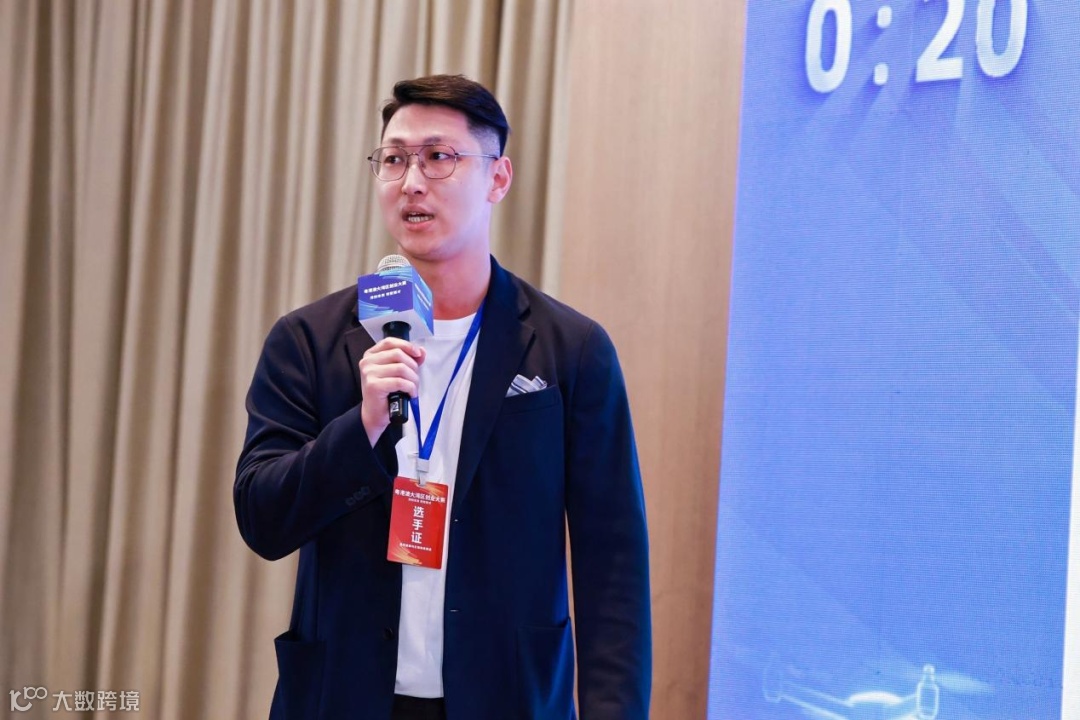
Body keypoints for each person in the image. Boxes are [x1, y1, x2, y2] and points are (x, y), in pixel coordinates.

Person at [235, 74, 651, 720]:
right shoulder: (310, 340)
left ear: (498, 178)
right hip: (344, 696)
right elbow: (263, 520)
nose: (411, 182)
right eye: (394, 159)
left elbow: (613, 563)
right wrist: (361, 427)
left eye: (438, 157)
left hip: (508, 699)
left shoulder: (570, 350)